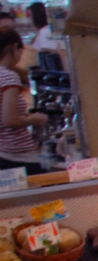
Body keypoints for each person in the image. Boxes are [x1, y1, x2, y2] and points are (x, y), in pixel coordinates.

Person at [0, 30, 47, 174]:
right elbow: (10, 120)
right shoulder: (9, 77)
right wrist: (35, 119)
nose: (21, 55)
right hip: (17, 156)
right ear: (14, 47)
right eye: (21, 50)